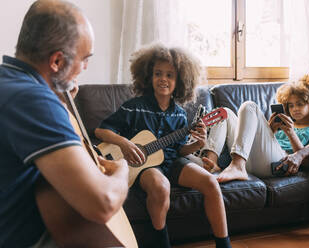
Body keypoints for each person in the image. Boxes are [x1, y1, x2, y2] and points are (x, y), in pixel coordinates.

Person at [0, 1, 129, 247]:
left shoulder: (9, 81)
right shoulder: (34, 100)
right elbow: (102, 203)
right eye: (85, 59)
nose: (85, 67)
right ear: (57, 61)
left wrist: (57, 104)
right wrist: (122, 171)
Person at [216, 38, 309, 248]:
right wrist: (271, 128)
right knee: (229, 112)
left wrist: (299, 154)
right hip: (286, 147)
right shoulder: (305, 90)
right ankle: (227, 162)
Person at [95, 44, 232, 248]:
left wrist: (199, 144)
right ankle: (162, 243)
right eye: (158, 73)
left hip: (171, 162)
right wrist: (124, 143)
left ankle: (224, 244)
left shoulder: (179, 114)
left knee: (211, 183)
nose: (163, 79)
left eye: (170, 75)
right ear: (148, 76)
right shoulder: (135, 106)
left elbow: (178, 150)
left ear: (180, 81)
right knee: (161, 186)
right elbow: (101, 131)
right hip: (144, 167)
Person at [198, 79, 309, 178]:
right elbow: (260, 145)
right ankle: (211, 164)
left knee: (249, 106)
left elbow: (308, 163)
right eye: (291, 105)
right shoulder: (284, 124)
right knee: (224, 112)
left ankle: (237, 166)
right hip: (250, 158)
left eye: (300, 104)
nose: (295, 109)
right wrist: (270, 129)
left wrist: (291, 133)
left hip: (277, 164)